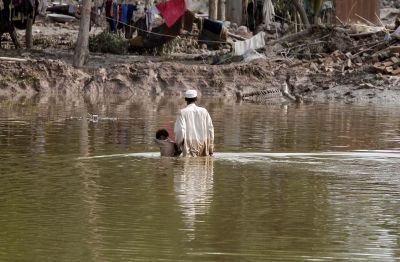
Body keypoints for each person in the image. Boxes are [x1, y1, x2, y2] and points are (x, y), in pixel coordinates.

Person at [174, 90, 214, 157]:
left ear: (185, 99)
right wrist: (210, 149)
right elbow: (211, 130)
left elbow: (180, 131)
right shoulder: (204, 111)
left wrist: (177, 145)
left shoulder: (182, 112)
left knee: (189, 165)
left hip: (189, 146)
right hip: (203, 145)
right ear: (196, 99)